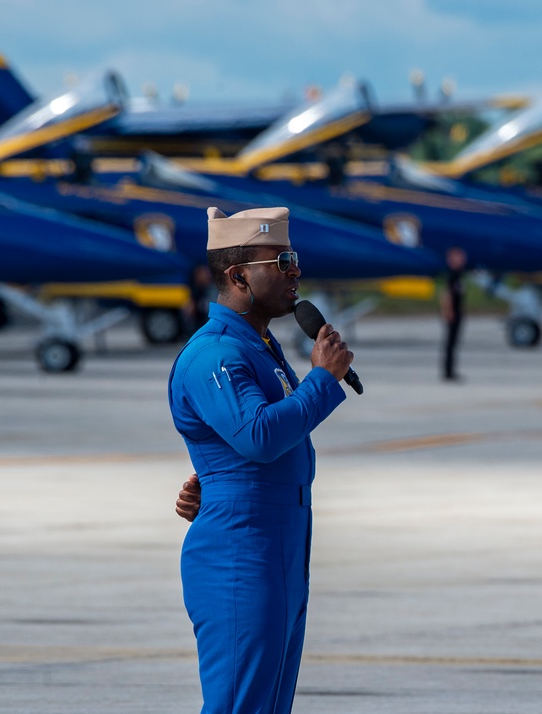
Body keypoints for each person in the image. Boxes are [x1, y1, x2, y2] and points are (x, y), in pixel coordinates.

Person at [168, 206, 353, 713]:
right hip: (239, 553)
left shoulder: (260, 347)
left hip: (280, 547)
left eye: (294, 260)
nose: (296, 272)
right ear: (239, 276)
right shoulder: (217, 354)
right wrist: (321, 380)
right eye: (283, 261)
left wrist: (210, 476)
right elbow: (259, 436)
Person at [440, 246, 467, 381]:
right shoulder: (452, 275)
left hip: (458, 311)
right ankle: (448, 372)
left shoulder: (459, 274)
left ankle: (451, 370)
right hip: (453, 313)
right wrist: (448, 311)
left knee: (454, 343)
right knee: (450, 343)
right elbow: (446, 294)